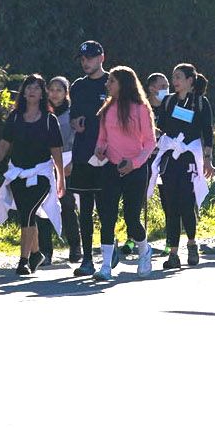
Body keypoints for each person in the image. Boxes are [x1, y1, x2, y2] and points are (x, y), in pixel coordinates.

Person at [0, 74, 65, 276]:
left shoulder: (49, 120)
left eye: (37, 88)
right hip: (18, 173)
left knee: (29, 212)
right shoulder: (14, 117)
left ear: (42, 94)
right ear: (23, 92)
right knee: (26, 214)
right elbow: (5, 143)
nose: (32, 91)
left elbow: (56, 150)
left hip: (41, 174)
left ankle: (23, 261)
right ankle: (37, 252)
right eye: (28, 87)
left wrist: (61, 177)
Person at [92, 65, 156, 280]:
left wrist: (135, 163)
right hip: (111, 167)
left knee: (131, 217)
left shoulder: (140, 108)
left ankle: (144, 250)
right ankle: (106, 266)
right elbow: (103, 137)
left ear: (124, 84)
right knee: (107, 215)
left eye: (111, 81)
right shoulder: (108, 108)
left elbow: (149, 143)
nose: (107, 84)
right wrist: (99, 149)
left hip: (135, 170)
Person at [147, 65, 214, 271]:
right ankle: (173, 252)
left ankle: (192, 244)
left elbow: (207, 131)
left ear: (190, 80)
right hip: (170, 156)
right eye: (173, 77)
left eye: (178, 77)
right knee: (171, 205)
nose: (174, 81)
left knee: (186, 203)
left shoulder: (200, 103)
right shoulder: (168, 101)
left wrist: (208, 159)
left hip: (189, 157)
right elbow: (164, 126)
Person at [64, 41, 109, 276]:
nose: (85, 62)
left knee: (105, 208)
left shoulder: (112, 83)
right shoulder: (78, 86)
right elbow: (73, 116)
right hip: (83, 154)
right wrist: (75, 123)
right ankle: (87, 259)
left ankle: (109, 254)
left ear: (101, 57)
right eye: (82, 59)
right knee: (86, 209)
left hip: (106, 155)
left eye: (90, 57)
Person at [37, 75, 75, 268]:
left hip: (67, 159)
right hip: (46, 161)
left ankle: (75, 247)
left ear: (66, 93)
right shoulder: (41, 112)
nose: (54, 93)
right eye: (51, 89)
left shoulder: (71, 113)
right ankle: (46, 251)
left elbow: (77, 137)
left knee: (67, 204)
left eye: (59, 90)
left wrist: (72, 162)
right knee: (43, 207)